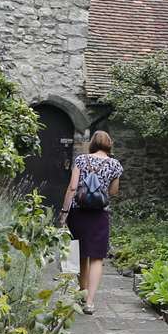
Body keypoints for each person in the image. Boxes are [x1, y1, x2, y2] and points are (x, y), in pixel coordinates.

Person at [58, 130, 122, 315]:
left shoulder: (80, 160)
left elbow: (72, 188)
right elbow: (114, 192)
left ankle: (81, 293)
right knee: (96, 258)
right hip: (99, 215)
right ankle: (90, 302)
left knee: (79, 254)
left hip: (78, 212)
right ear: (109, 144)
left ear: (92, 143)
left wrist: (64, 212)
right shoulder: (115, 165)